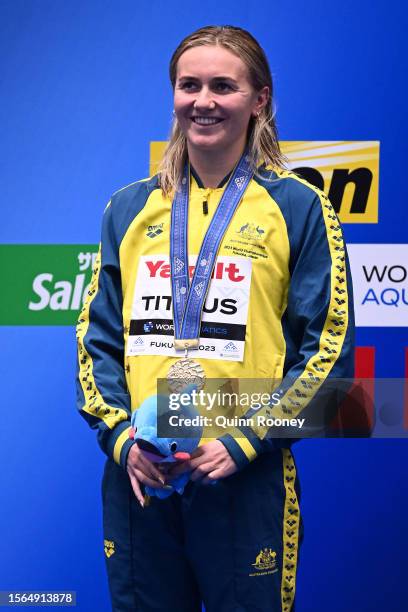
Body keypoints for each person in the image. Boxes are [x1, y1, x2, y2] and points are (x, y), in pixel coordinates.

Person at [76, 25, 354, 612]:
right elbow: (95, 341)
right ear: (173, 96)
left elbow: (329, 355)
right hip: (142, 480)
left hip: (243, 476)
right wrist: (122, 439)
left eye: (223, 86)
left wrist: (247, 437)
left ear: (259, 100)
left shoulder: (298, 206)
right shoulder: (127, 208)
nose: (203, 101)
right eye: (189, 85)